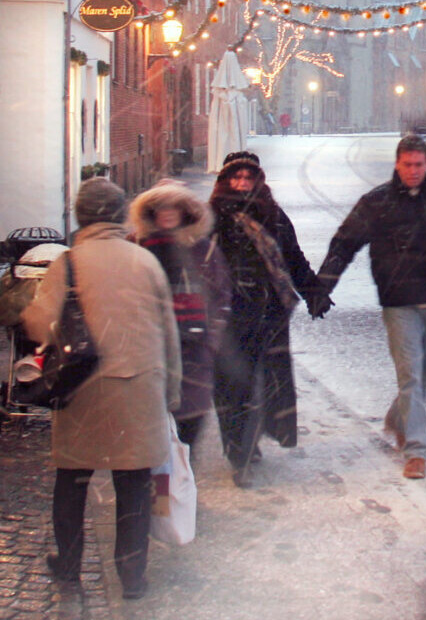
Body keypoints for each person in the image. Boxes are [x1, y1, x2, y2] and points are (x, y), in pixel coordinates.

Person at [20, 178, 180, 600]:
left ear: (80, 216)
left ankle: (69, 566)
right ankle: (132, 577)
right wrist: (173, 392)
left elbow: (38, 323)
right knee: (134, 489)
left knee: (72, 482)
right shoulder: (145, 263)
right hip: (140, 391)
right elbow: (169, 335)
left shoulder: (68, 263)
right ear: (118, 213)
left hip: (84, 392)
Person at [317, 134, 426, 480]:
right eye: (407, 165)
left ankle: (397, 418)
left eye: (419, 165)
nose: (414, 171)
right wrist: (322, 286)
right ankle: (416, 450)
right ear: (397, 164)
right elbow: (345, 243)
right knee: (411, 375)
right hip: (398, 301)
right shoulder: (377, 203)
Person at [209, 150, 329, 485]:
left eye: (249, 178)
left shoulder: (273, 216)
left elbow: (293, 257)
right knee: (232, 387)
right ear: (226, 180)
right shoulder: (211, 219)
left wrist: (314, 292)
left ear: (258, 180)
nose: (243, 184)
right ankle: (238, 452)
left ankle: (246, 444)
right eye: (237, 177)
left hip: (267, 315)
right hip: (229, 317)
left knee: (261, 385)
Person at [129, 178, 232, 448]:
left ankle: (180, 484)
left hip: (193, 353)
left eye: (174, 205)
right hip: (147, 352)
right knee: (149, 436)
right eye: (161, 206)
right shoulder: (137, 248)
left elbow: (220, 298)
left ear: (186, 210)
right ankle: (155, 487)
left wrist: (211, 341)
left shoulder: (203, 250)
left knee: (187, 433)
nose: (168, 212)